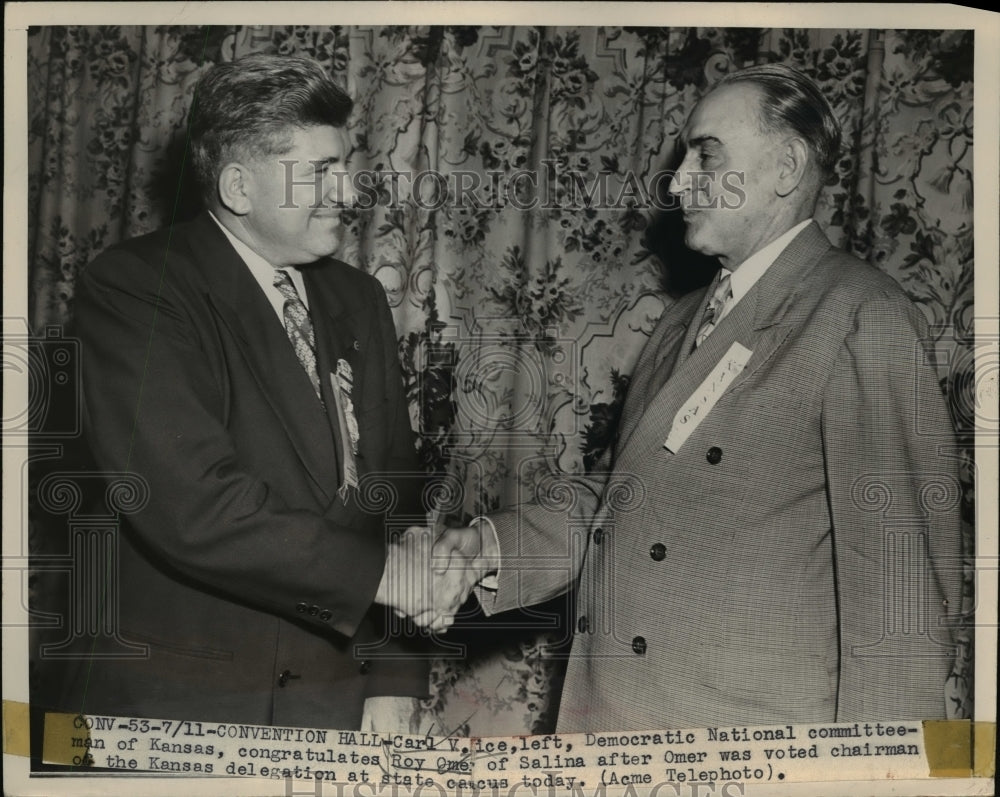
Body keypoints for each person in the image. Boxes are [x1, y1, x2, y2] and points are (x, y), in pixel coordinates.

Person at [429, 64, 963, 731]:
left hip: (746, 743)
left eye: (705, 155)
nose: (678, 181)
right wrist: (490, 549)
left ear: (786, 166)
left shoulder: (861, 314)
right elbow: (627, 494)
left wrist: (888, 774)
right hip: (613, 724)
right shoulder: (681, 320)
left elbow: (899, 594)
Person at [45, 53, 464, 731]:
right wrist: (386, 578)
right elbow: (192, 503)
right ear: (240, 187)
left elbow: (396, 491)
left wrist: (392, 678)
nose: (349, 192)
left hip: (330, 703)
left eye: (345, 164)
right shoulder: (136, 288)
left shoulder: (356, 298)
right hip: (175, 712)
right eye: (321, 171)